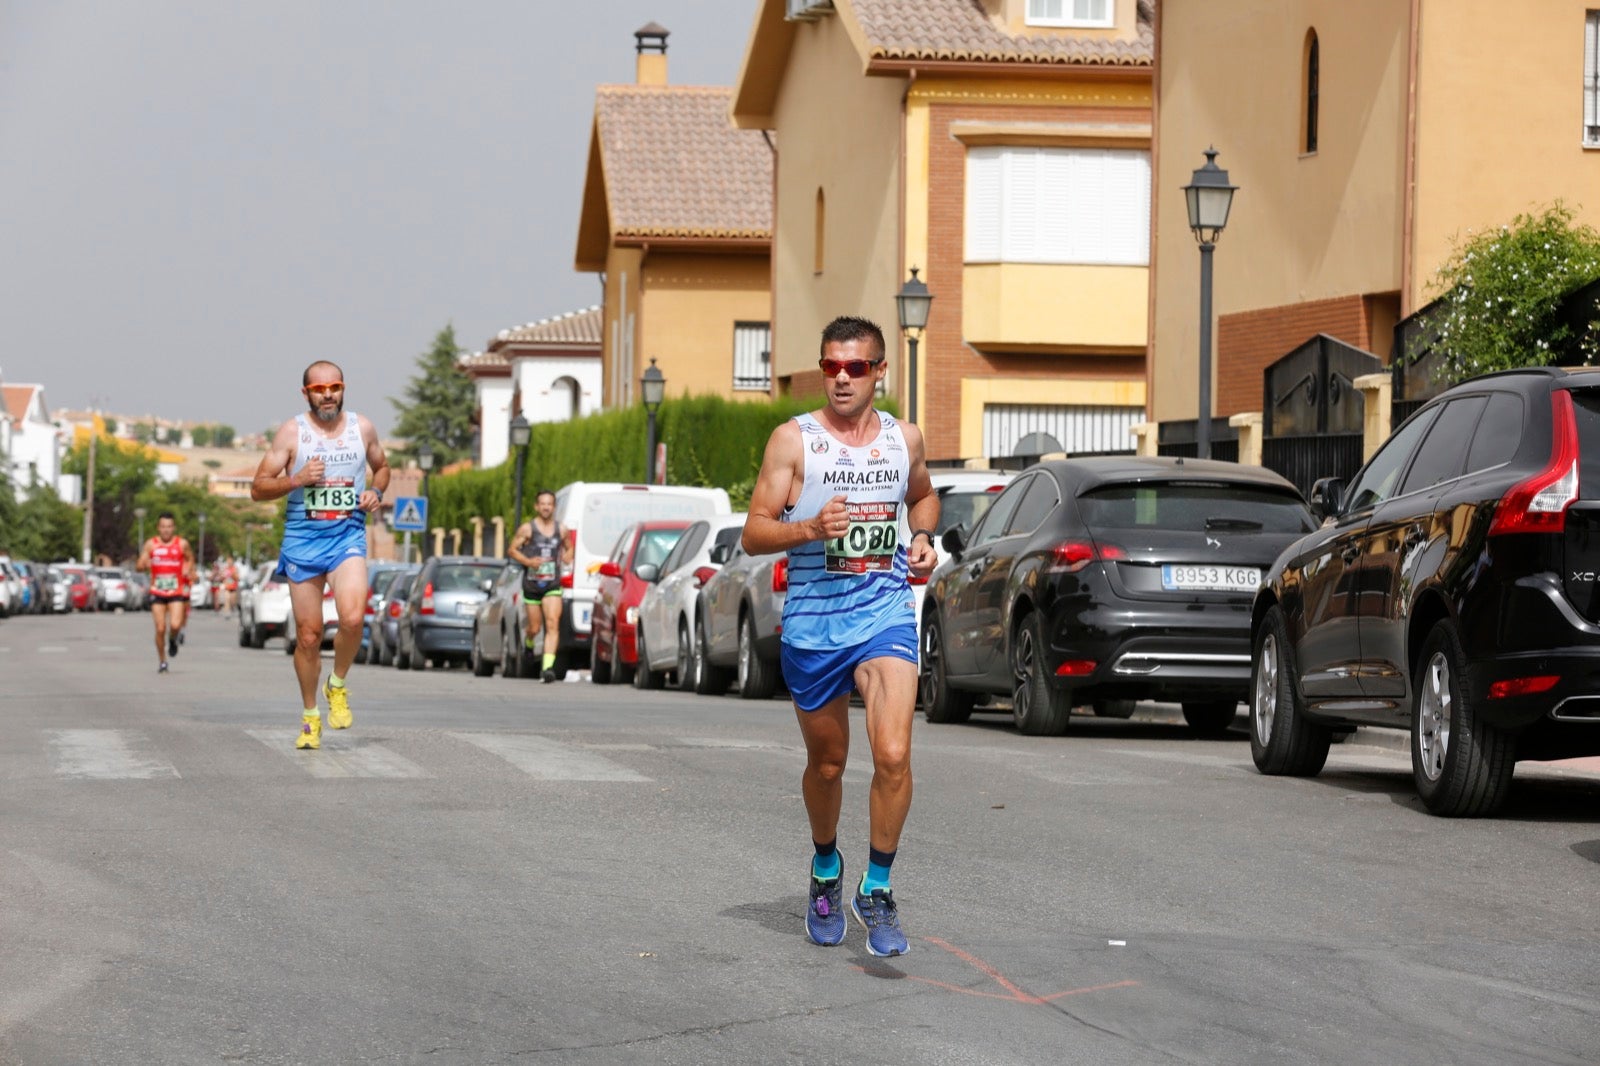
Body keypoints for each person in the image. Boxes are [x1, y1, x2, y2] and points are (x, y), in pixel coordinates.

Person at [741, 315, 938, 957]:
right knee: (828, 764)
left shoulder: (903, 439)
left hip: (883, 612)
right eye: (831, 367)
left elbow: (924, 497)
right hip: (814, 626)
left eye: (855, 367)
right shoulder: (793, 442)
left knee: (894, 753)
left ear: (880, 371)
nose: (842, 379)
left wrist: (923, 539)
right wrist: (809, 529)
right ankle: (826, 867)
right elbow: (754, 532)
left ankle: (875, 887)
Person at [251, 360, 390, 749]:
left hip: (346, 537)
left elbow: (382, 468)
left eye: (334, 387)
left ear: (343, 388)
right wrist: (296, 479)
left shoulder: (361, 428)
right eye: (319, 388)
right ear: (306, 393)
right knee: (309, 636)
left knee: (351, 616)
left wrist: (376, 492)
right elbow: (258, 488)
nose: (327, 394)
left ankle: (338, 683)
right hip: (302, 543)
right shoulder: (292, 432)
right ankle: (310, 715)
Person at [507, 489, 572, 683]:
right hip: (532, 585)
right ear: (537, 506)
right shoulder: (527, 529)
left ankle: (547, 668)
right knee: (535, 627)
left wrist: (569, 556)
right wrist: (528, 562)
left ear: (554, 507)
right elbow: (511, 550)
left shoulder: (561, 529)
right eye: (542, 504)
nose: (546, 507)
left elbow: (570, 547)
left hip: (552, 583)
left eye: (549, 504)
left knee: (552, 623)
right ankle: (528, 643)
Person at [136, 511, 196, 674]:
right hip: (157, 591)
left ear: (173, 528)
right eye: (163, 527)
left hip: (175, 590)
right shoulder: (151, 544)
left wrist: (188, 568)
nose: (166, 530)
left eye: (169, 527)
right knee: (160, 628)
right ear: (158, 528)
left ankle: (173, 639)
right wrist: (143, 564)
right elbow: (140, 565)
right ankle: (163, 661)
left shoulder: (181, 544)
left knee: (175, 625)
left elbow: (190, 558)